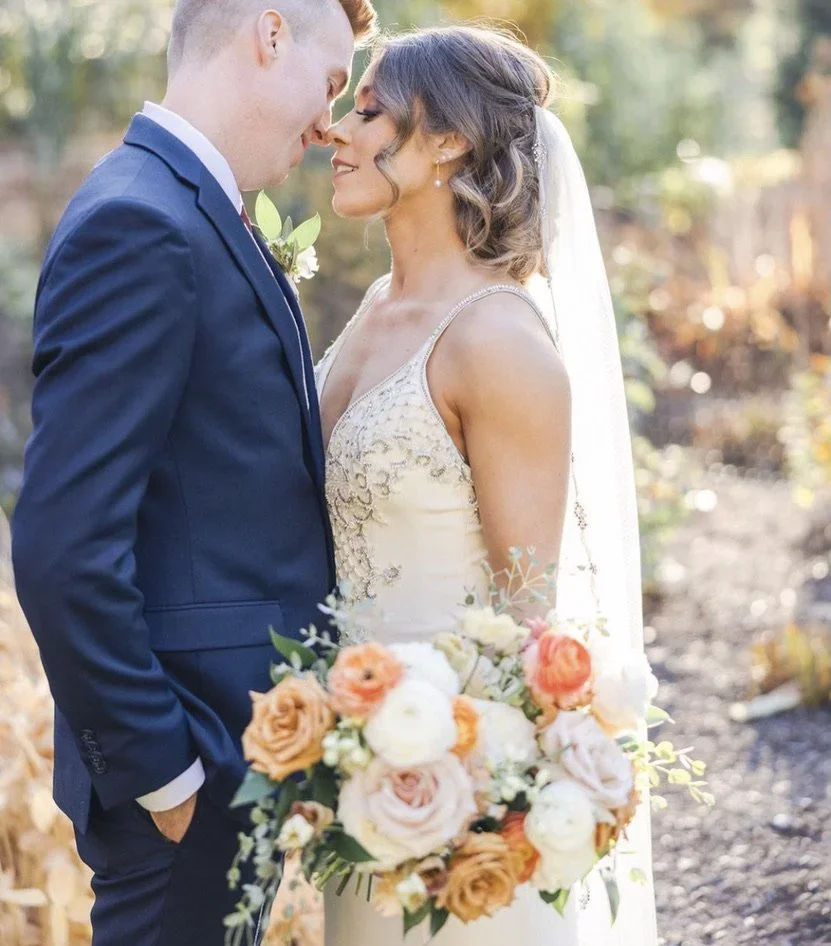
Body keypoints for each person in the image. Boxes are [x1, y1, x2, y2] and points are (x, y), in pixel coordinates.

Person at [11, 1, 376, 943]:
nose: (329, 123)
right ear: (268, 33)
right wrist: (165, 774)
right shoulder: (140, 222)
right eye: (331, 83)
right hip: (190, 772)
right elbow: (63, 546)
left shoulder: (199, 210)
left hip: (238, 757)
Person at [317, 25, 658, 946]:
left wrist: (460, 811)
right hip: (353, 770)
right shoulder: (374, 311)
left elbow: (527, 622)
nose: (334, 130)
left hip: (450, 796)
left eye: (369, 108)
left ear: (447, 142)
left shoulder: (497, 342)